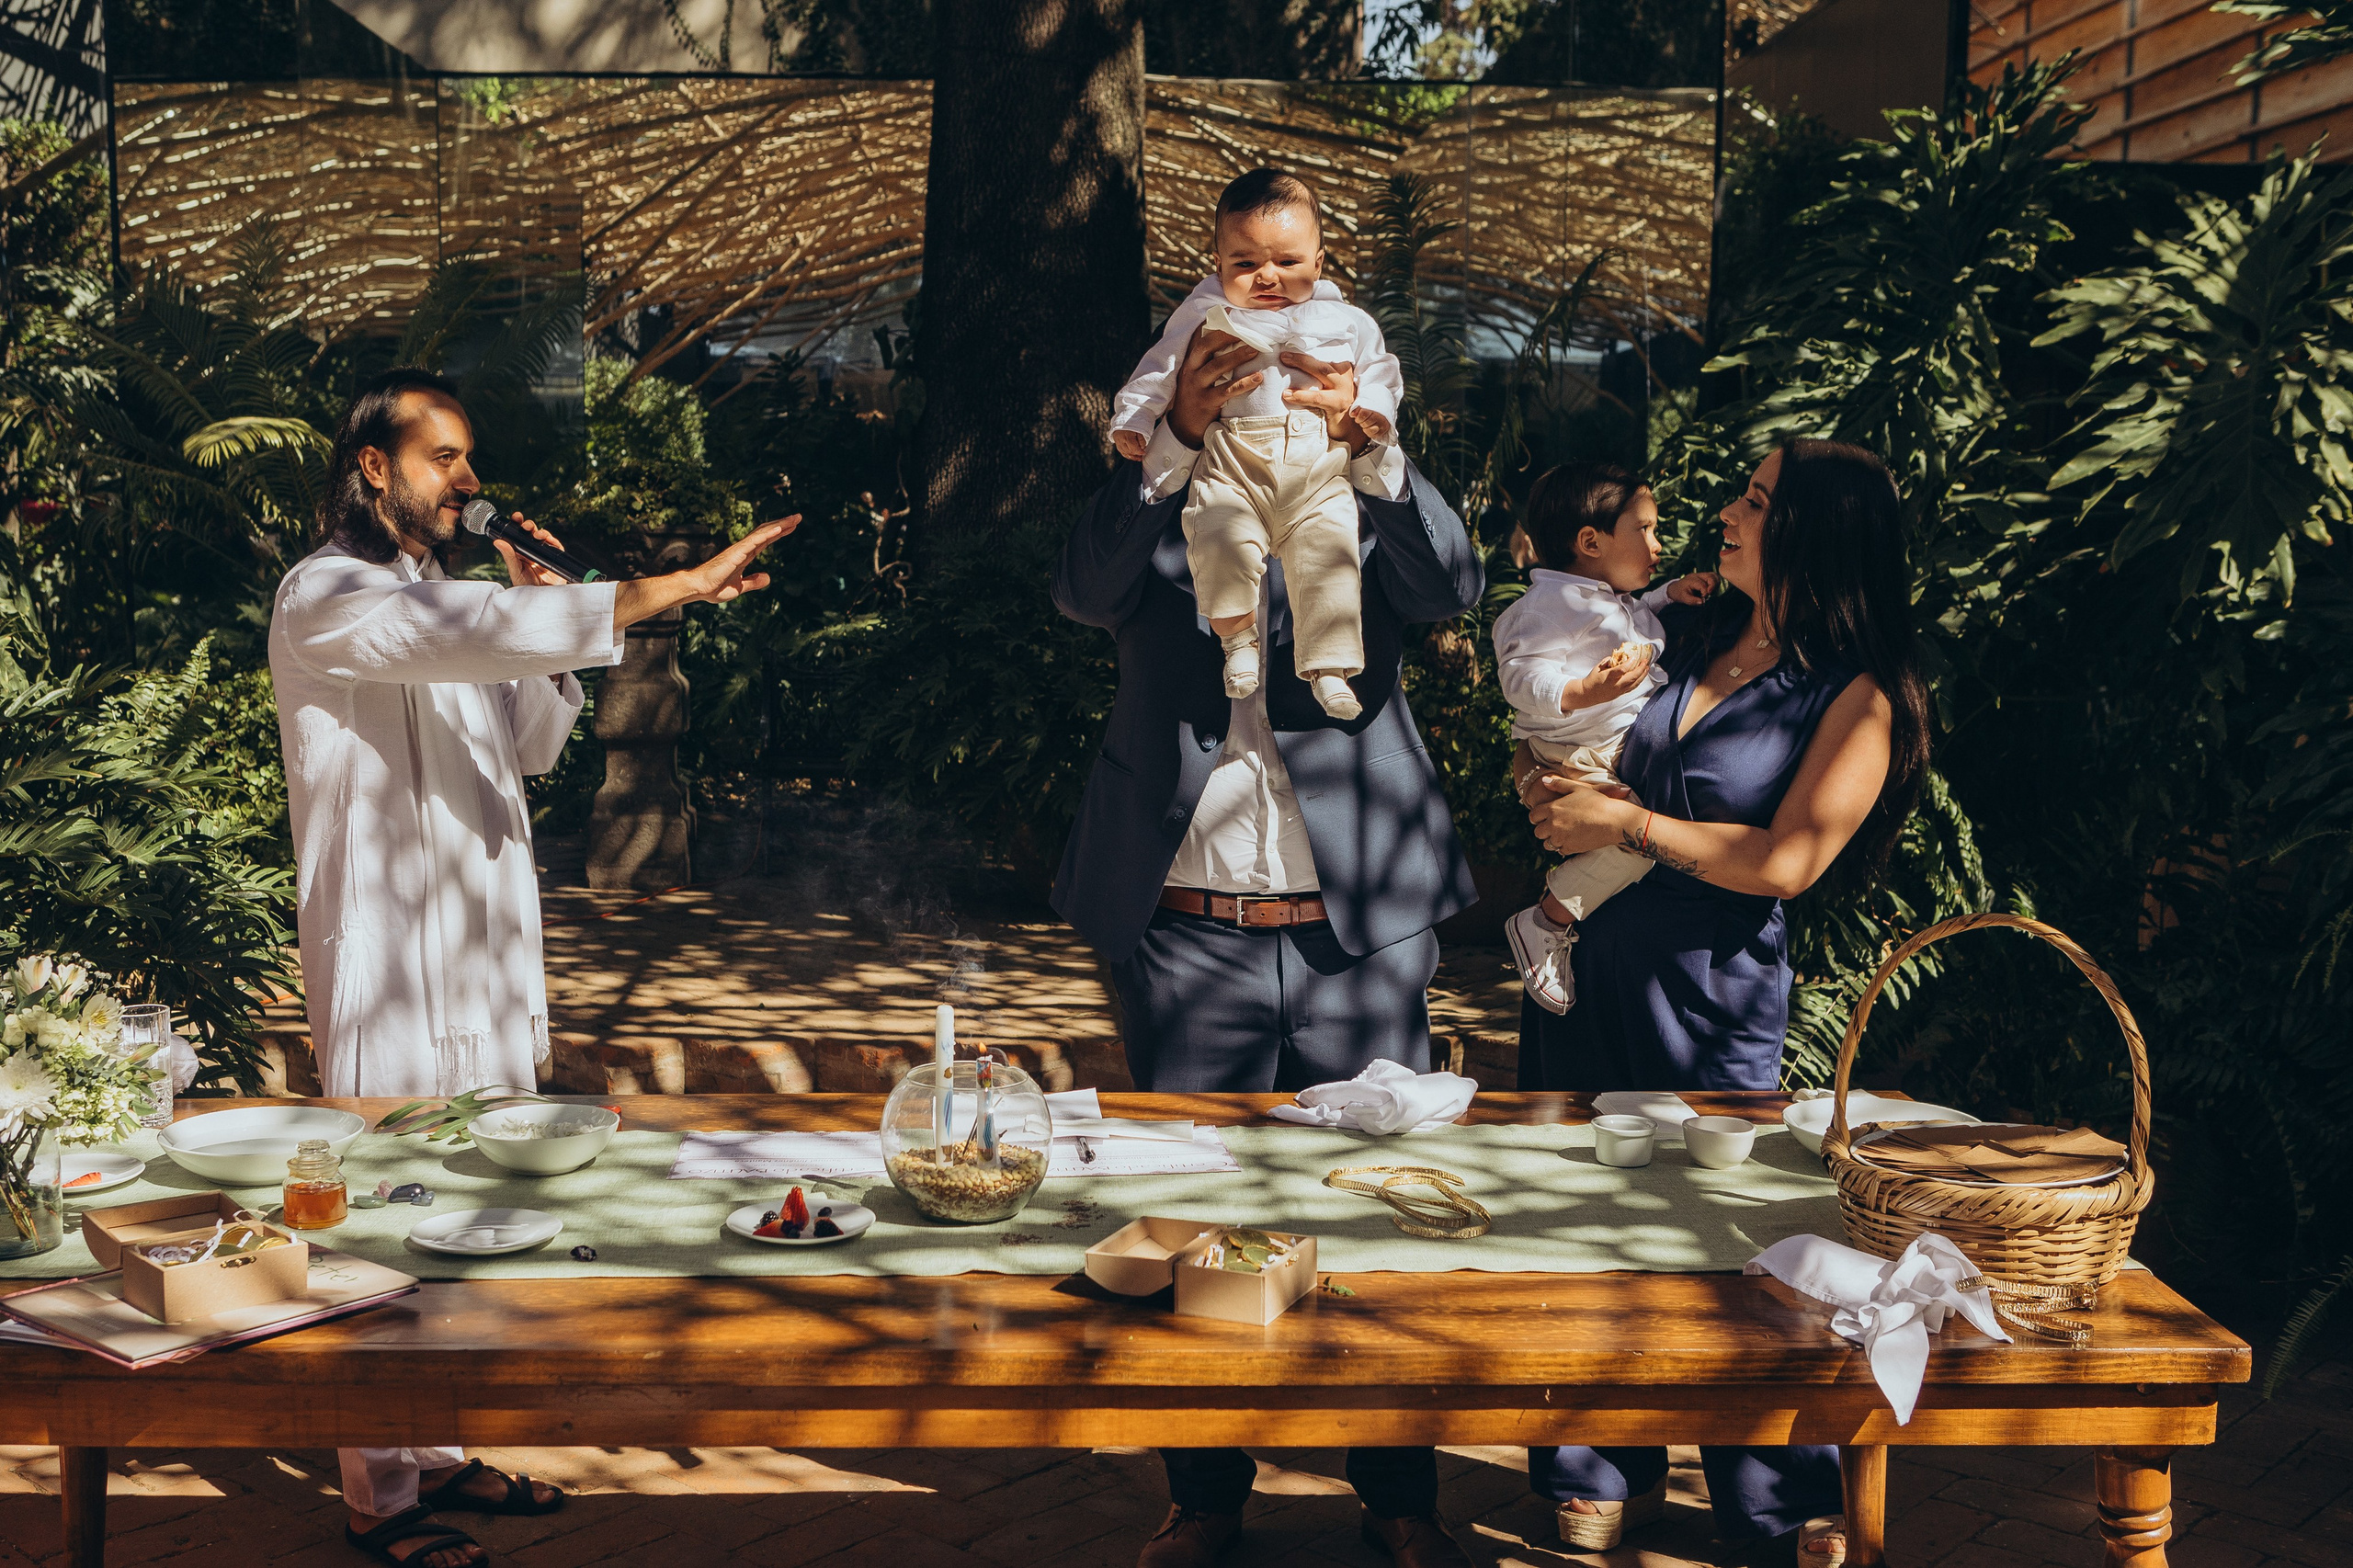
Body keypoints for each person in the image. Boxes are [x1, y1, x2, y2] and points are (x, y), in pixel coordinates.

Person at [269, 367, 794, 1568]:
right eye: (441, 456)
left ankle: (442, 1449)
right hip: (390, 957)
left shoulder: (445, 598)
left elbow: (535, 741)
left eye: (470, 456)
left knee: (471, 1210)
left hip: (485, 947)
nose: (466, 478)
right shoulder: (325, 595)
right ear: (372, 466)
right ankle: (377, 1498)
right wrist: (659, 589)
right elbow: (454, 641)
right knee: (388, 1213)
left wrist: (542, 639)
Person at [1054, 280, 1482, 1565]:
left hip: (1354, 926)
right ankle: (1206, 1490)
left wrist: (1379, 450)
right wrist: (1167, 448)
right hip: (1188, 925)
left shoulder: (1355, 485)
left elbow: (1454, 585)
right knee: (1189, 1210)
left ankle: (1400, 1495)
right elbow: (1082, 589)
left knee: (1373, 1206)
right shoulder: (1172, 494)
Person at [1515, 438, 1929, 1568]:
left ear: (1814, 534)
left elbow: (1788, 859)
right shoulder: (1679, 632)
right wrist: (1546, 779)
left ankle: (1773, 1501)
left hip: (1706, 989)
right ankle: (1596, 1465)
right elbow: (1578, 735)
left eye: (1754, 501)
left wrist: (1628, 827)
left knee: (1733, 1250)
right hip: (1582, 970)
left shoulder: (1857, 695)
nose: (1728, 515)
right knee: (1578, 1225)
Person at [1109, 167, 1404, 720]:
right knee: (1218, 539)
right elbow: (1159, 369)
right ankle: (1236, 642)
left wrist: (1372, 415)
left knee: (1330, 559)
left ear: (1319, 262)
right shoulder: (1203, 315)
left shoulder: (1348, 321)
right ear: (1217, 264)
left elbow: (1382, 373)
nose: (1267, 276)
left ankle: (1331, 668)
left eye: (1287, 262)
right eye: (1245, 263)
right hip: (1232, 460)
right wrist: (1138, 417)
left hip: (1318, 462)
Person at [1491, 463, 1714, 1013]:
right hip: (1578, 749)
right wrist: (1579, 691)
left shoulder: (1604, 596)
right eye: (1645, 529)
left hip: (1596, 745)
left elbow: (1633, 617)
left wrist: (1667, 595)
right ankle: (1547, 921)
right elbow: (1518, 676)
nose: (1658, 544)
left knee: (1636, 832)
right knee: (1635, 844)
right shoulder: (1544, 608)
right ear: (1590, 541)